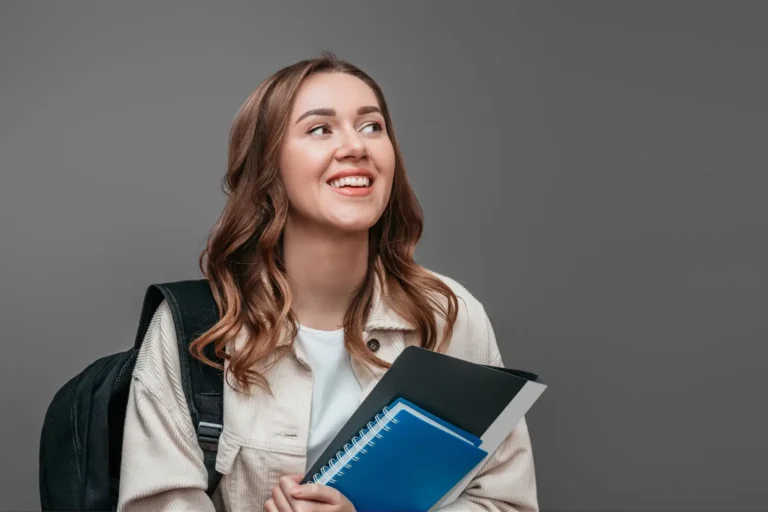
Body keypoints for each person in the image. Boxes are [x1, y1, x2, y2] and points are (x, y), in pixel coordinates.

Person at [116, 52, 539, 512]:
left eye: (372, 126)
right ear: (267, 165)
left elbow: (505, 502)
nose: (356, 146)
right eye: (321, 129)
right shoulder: (195, 329)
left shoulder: (448, 312)